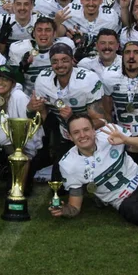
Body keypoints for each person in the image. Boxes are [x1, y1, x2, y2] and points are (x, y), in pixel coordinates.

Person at [31, 42, 105, 183]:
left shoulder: (88, 80)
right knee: (60, 184)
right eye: (55, 61)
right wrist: (33, 108)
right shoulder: (43, 79)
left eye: (64, 60)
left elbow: (101, 120)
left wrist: (73, 119)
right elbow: (43, 116)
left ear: (72, 60)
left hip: (91, 137)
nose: (60, 65)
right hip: (65, 135)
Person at [8, 17, 74, 95]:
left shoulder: (65, 46)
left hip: (59, 96)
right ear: (33, 34)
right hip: (30, 98)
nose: (43, 34)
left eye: (48, 30)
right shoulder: (19, 49)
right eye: (39, 30)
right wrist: (21, 69)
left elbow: (74, 73)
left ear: (54, 34)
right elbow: (13, 84)